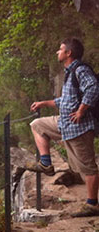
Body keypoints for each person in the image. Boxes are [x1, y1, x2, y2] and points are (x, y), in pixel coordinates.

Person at [24, 38, 99, 217]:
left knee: (88, 167)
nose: (57, 52)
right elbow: (65, 101)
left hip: (79, 127)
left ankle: (92, 204)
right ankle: (46, 164)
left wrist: (81, 110)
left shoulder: (80, 70)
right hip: (65, 123)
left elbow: (94, 88)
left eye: (60, 49)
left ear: (68, 53)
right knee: (37, 124)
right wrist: (44, 103)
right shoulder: (69, 73)